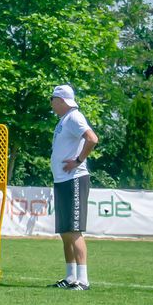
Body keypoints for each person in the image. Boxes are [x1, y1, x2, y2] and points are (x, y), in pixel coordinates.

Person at [48, 85, 98, 291]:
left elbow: (92, 138)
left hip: (74, 179)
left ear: (61, 100)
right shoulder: (64, 120)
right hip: (62, 180)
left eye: (53, 99)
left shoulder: (75, 117)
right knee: (65, 231)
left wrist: (78, 160)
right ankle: (70, 277)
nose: (51, 103)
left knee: (74, 230)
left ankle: (83, 280)